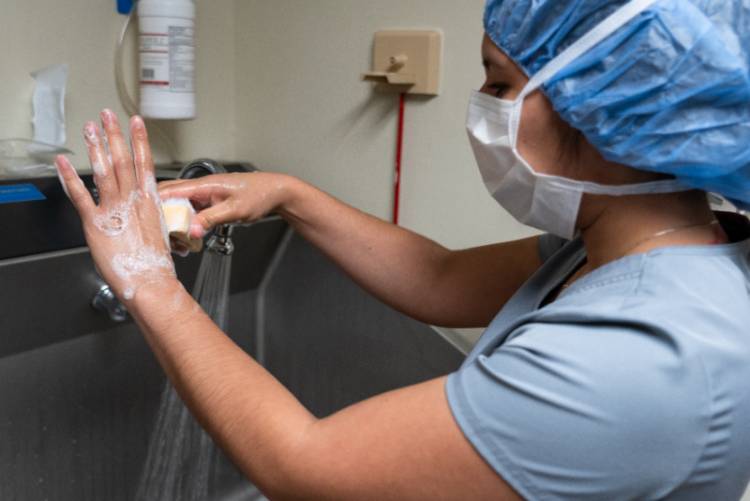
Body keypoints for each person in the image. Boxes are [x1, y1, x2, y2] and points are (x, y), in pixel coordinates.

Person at [56, 0, 750, 499]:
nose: (481, 105)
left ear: (595, 107)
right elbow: (440, 278)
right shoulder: (637, 249)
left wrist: (149, 282)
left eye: (501, 83)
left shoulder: (641, 356)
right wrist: (293, 194)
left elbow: (305, 465)